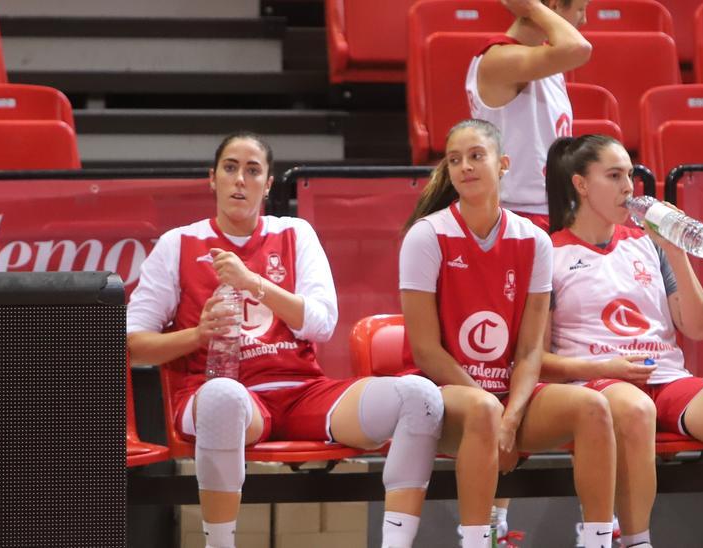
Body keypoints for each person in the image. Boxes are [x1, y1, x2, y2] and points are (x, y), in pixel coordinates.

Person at [127, 133, 443, 548]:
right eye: (230, 168)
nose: (241, 179)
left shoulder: (295, 234)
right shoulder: (179, 244)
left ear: (268, 184)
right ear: (212, 179)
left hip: (302, 393)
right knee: (224, 396)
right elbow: (132, 343)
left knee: (421, 397)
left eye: (253, 170)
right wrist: (198, 334)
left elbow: (322, 323)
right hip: (221, 395)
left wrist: (254, 283)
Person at [539, 134, 703, 548]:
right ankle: (636, 541)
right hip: (595, 385)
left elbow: (699, 328)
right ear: (580, 184)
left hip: (664, 377)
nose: (629, 187)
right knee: (635, 409)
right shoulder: (549, 253)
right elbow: (536, 358)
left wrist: (676, 251)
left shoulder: (648, 244)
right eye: (614, 176)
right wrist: (604, 370)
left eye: (630, 175)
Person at [399, 119, 617, 548]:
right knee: (481, 409)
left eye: (476, 156)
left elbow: (531, 346)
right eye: (455, 159)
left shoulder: (533, 240)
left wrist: (513, 413)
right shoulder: (426, 236)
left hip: (508, 396)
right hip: (444, 396)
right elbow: (425, 350)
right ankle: (479, 540)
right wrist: (493, 412)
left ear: (502, 165)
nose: (465, 166)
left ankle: (599, 540)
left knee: (593, 406)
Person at [466, 0, 591, 230]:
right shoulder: (498, 58)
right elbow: (579, 48)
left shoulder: (543, 61)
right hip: (517, 214)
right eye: (581, 9)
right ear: (553, 6)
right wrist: (531, 6)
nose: (584, 20)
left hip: (552, 207)